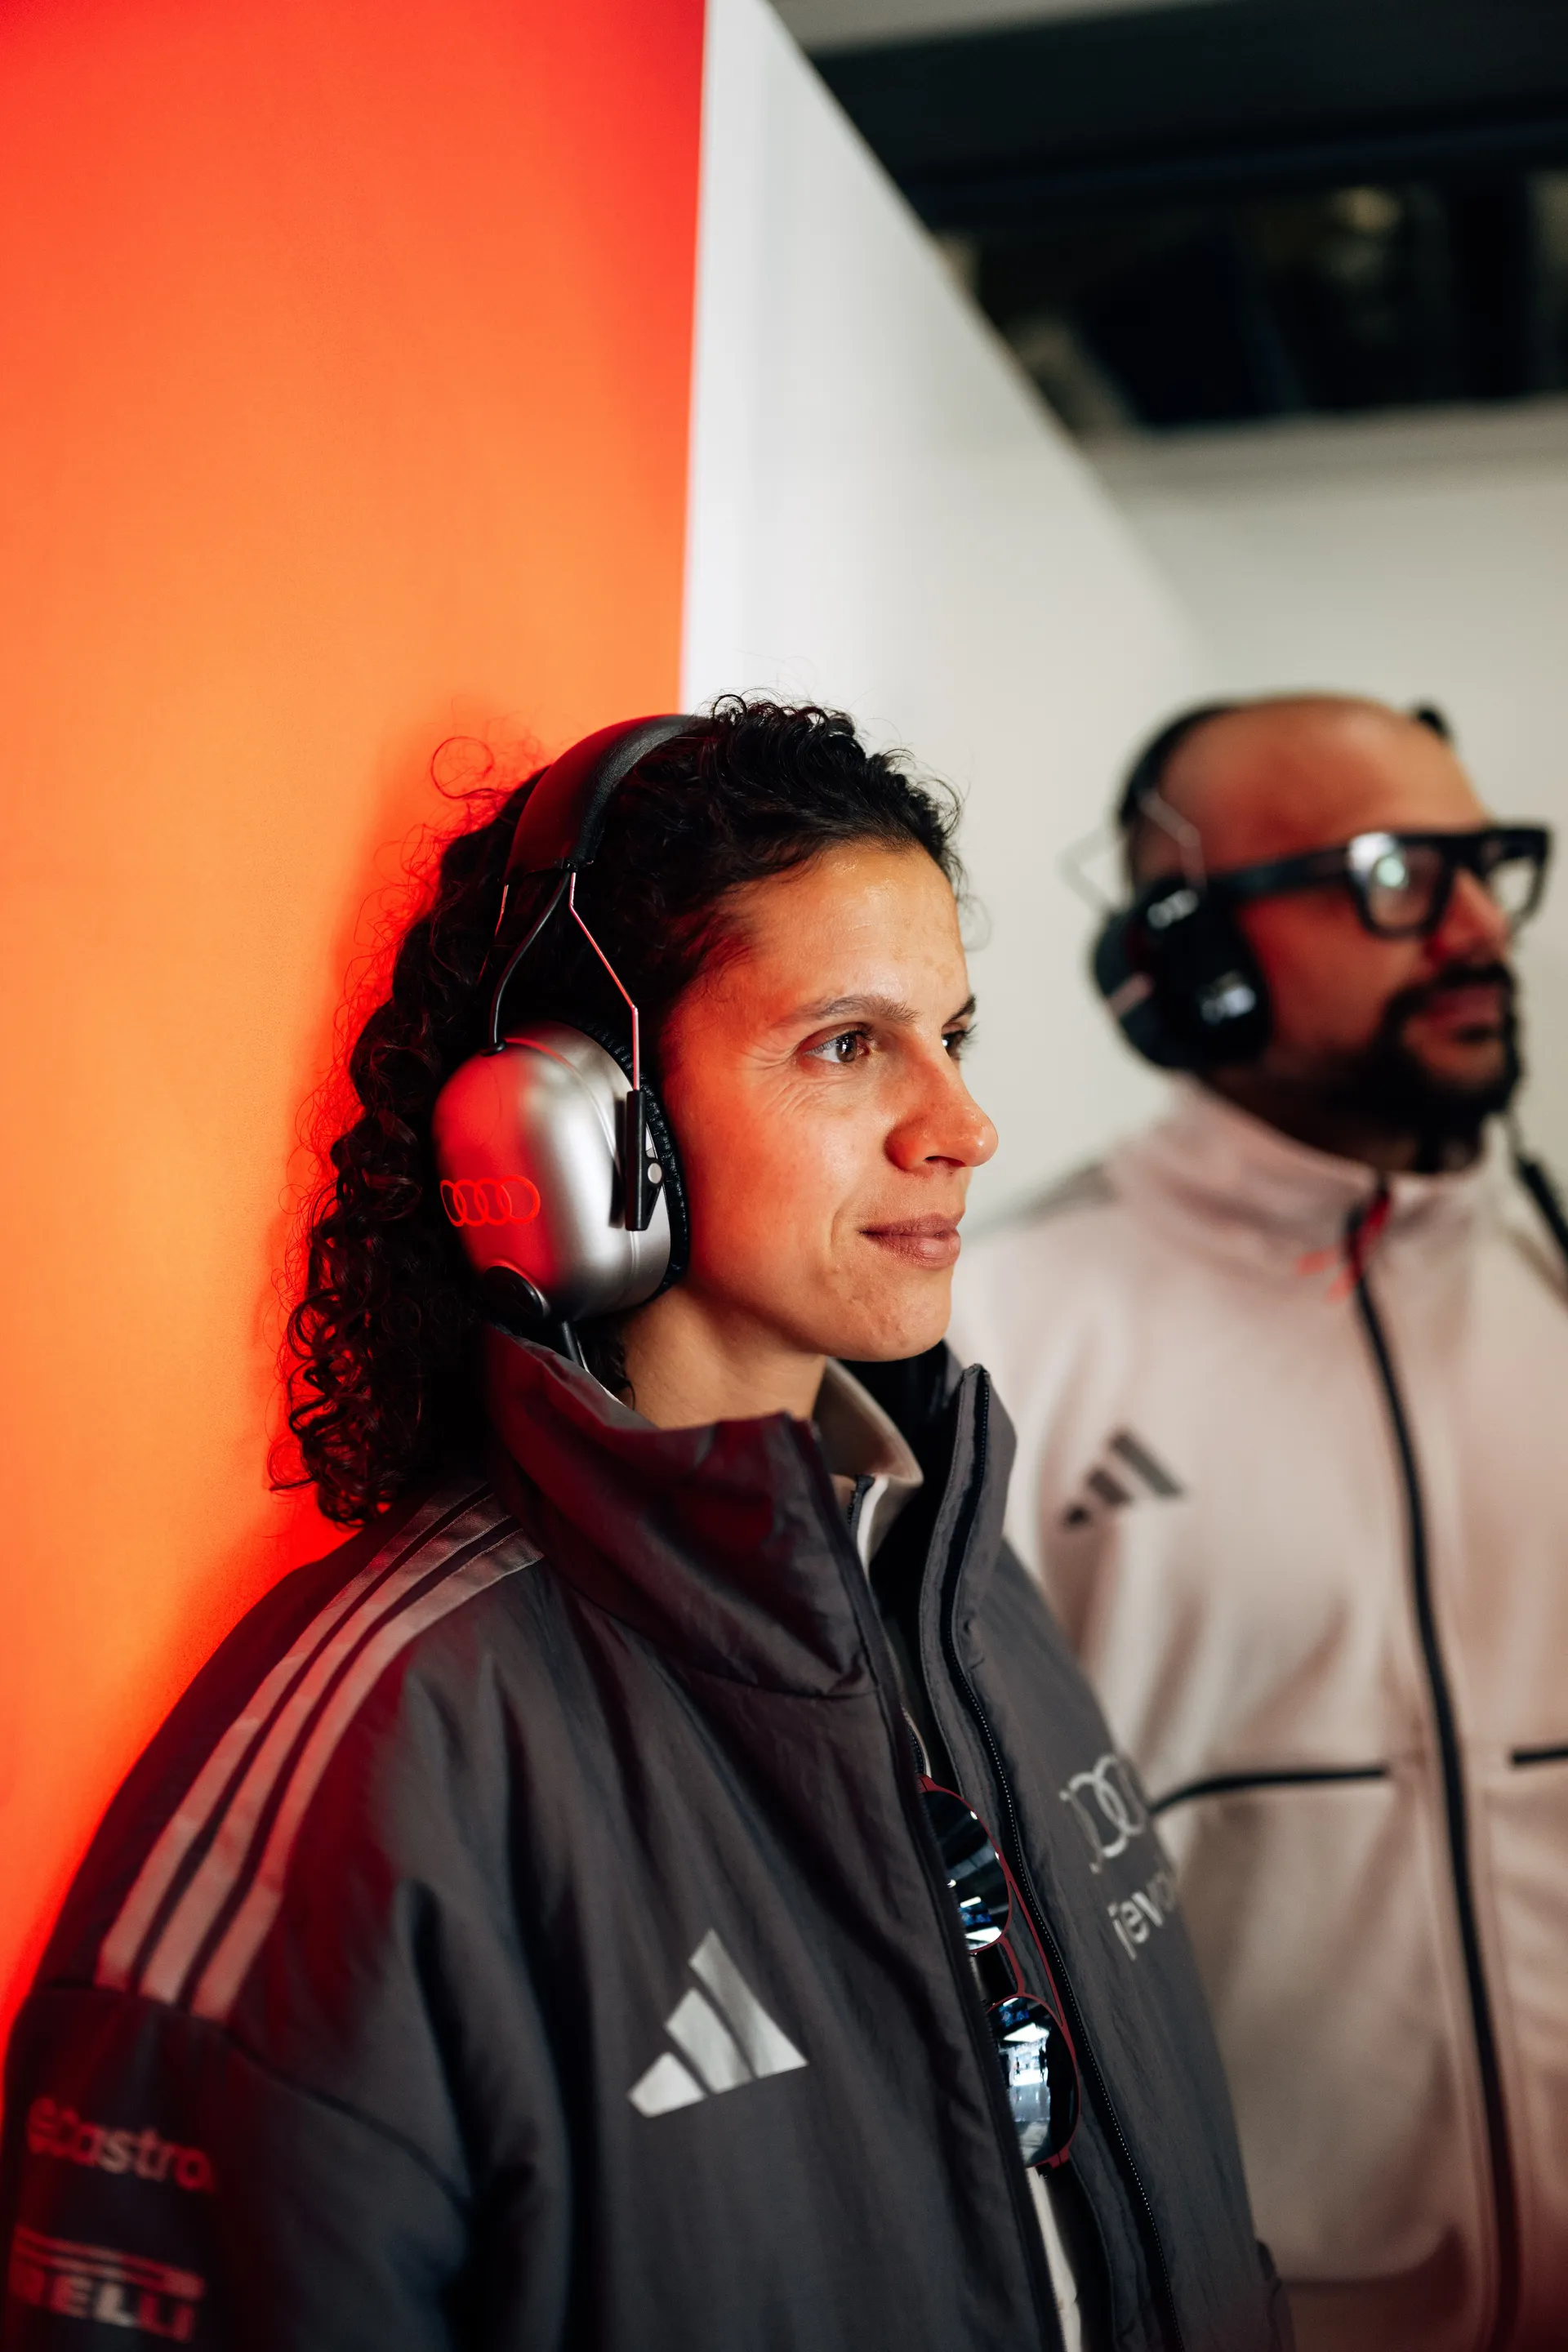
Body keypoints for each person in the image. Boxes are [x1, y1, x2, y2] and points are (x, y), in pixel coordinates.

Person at [0, 699, 1285, 2352]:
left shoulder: (964, 1592)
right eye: (845, 1044)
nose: (958, 1126)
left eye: (950, 1036)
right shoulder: (384, 1743)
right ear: (584, 1124)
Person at [948, 692, 1568, 2352]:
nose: (1471, 930)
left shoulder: (1556, 1291)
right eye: (1386, 873)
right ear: (1192, 959)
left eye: (1486, 868)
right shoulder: (996, 1330)